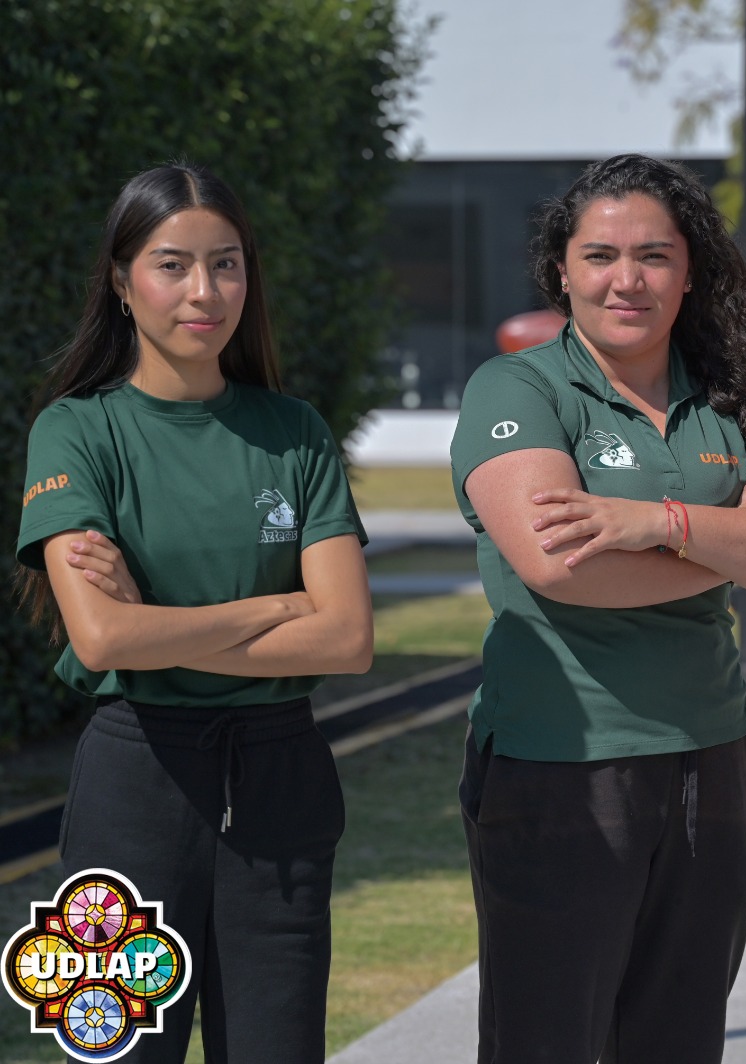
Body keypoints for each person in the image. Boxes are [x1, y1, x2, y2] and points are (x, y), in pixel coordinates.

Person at [449, 152, 746, 1064]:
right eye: (600, 256)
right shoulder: (517, 389)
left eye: (655, 255)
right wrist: (729, 543)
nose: (627, 279)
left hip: (713, 759)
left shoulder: (732, 397)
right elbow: (562, 567)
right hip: (562, 762)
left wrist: (648, 522)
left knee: (679, 1036)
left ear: (689, 270)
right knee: (546, 1041)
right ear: (561, 272)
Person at [14, 162, 372, 1062]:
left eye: (228, 264)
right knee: (117, 1052)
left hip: (280, 785)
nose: (204, 291)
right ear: (122, 283)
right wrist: (277, 608)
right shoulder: (75, 432)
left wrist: (160, 625)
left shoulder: (295, 434)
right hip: (134, 785)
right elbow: (101, 636)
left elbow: (348, 637)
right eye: (172, 265)